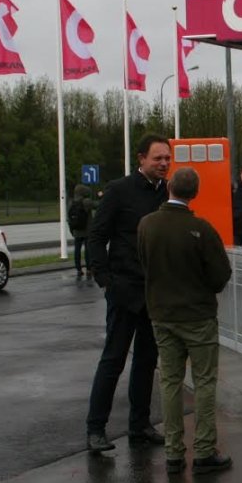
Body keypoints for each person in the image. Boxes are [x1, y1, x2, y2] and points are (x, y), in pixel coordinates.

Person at [138, 167, 234, 475]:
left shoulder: (147, 225)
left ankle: (173, 452)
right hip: (198, 316)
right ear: (195, 193)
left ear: (169, 188)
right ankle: (204, 450)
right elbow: (221, 275)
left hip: (161, 314)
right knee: (204, 381)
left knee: (170, 381)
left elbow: (144, 264)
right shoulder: (202, 230)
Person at [85, 133, 171, 453]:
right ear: (141, 159)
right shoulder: (118, 190)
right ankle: (96, 428)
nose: (163, 164)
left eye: (167, 159)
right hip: (123, 291)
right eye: (157, 158)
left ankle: (140, 425)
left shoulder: (167, 192)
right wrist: (105, 279)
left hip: (155, 294)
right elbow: (97, 236)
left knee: (147, 362)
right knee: (113, 360)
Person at [68, 183, 97, 278]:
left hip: (76, 230)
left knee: (77, 250)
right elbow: (98, 205)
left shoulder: (71, 202)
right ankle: (89, 269)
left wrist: (71, 229)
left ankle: (78, 269)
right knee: (88, 250)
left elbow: (69, 217)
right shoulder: (86, 202)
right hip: (87, 231)